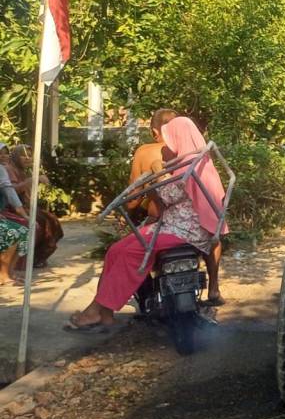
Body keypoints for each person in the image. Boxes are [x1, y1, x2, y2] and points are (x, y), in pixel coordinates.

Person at [65, 117, 229, 330]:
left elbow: (168, 196)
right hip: (177, 226)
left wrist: (157, 169)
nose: (166, 147)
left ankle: (96, 310)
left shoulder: (190, 164)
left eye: (170, 140)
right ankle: (104, 312)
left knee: (129, 252)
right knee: (115, 250)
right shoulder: (196, 160)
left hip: (184, 230)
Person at [5, 145, 63, 269]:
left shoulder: (22, 170)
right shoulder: (8, 169)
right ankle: (26, 260)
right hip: (11, 208)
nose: (27, 158)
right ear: (15, 156)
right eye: (23, 155)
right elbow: (12, 191)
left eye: (29, 156)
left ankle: (37, 257)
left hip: (24, 207)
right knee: (40, 223)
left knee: (52, 221)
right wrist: (34, 179)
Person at [0, 143, 28, 285]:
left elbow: (11, 194)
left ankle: (9, 272)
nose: (3, 156)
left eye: (5, 153)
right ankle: (3, 274)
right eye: (0, 153)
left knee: (23, 231)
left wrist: (25, 215)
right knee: (12, 232)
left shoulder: (2, 170)